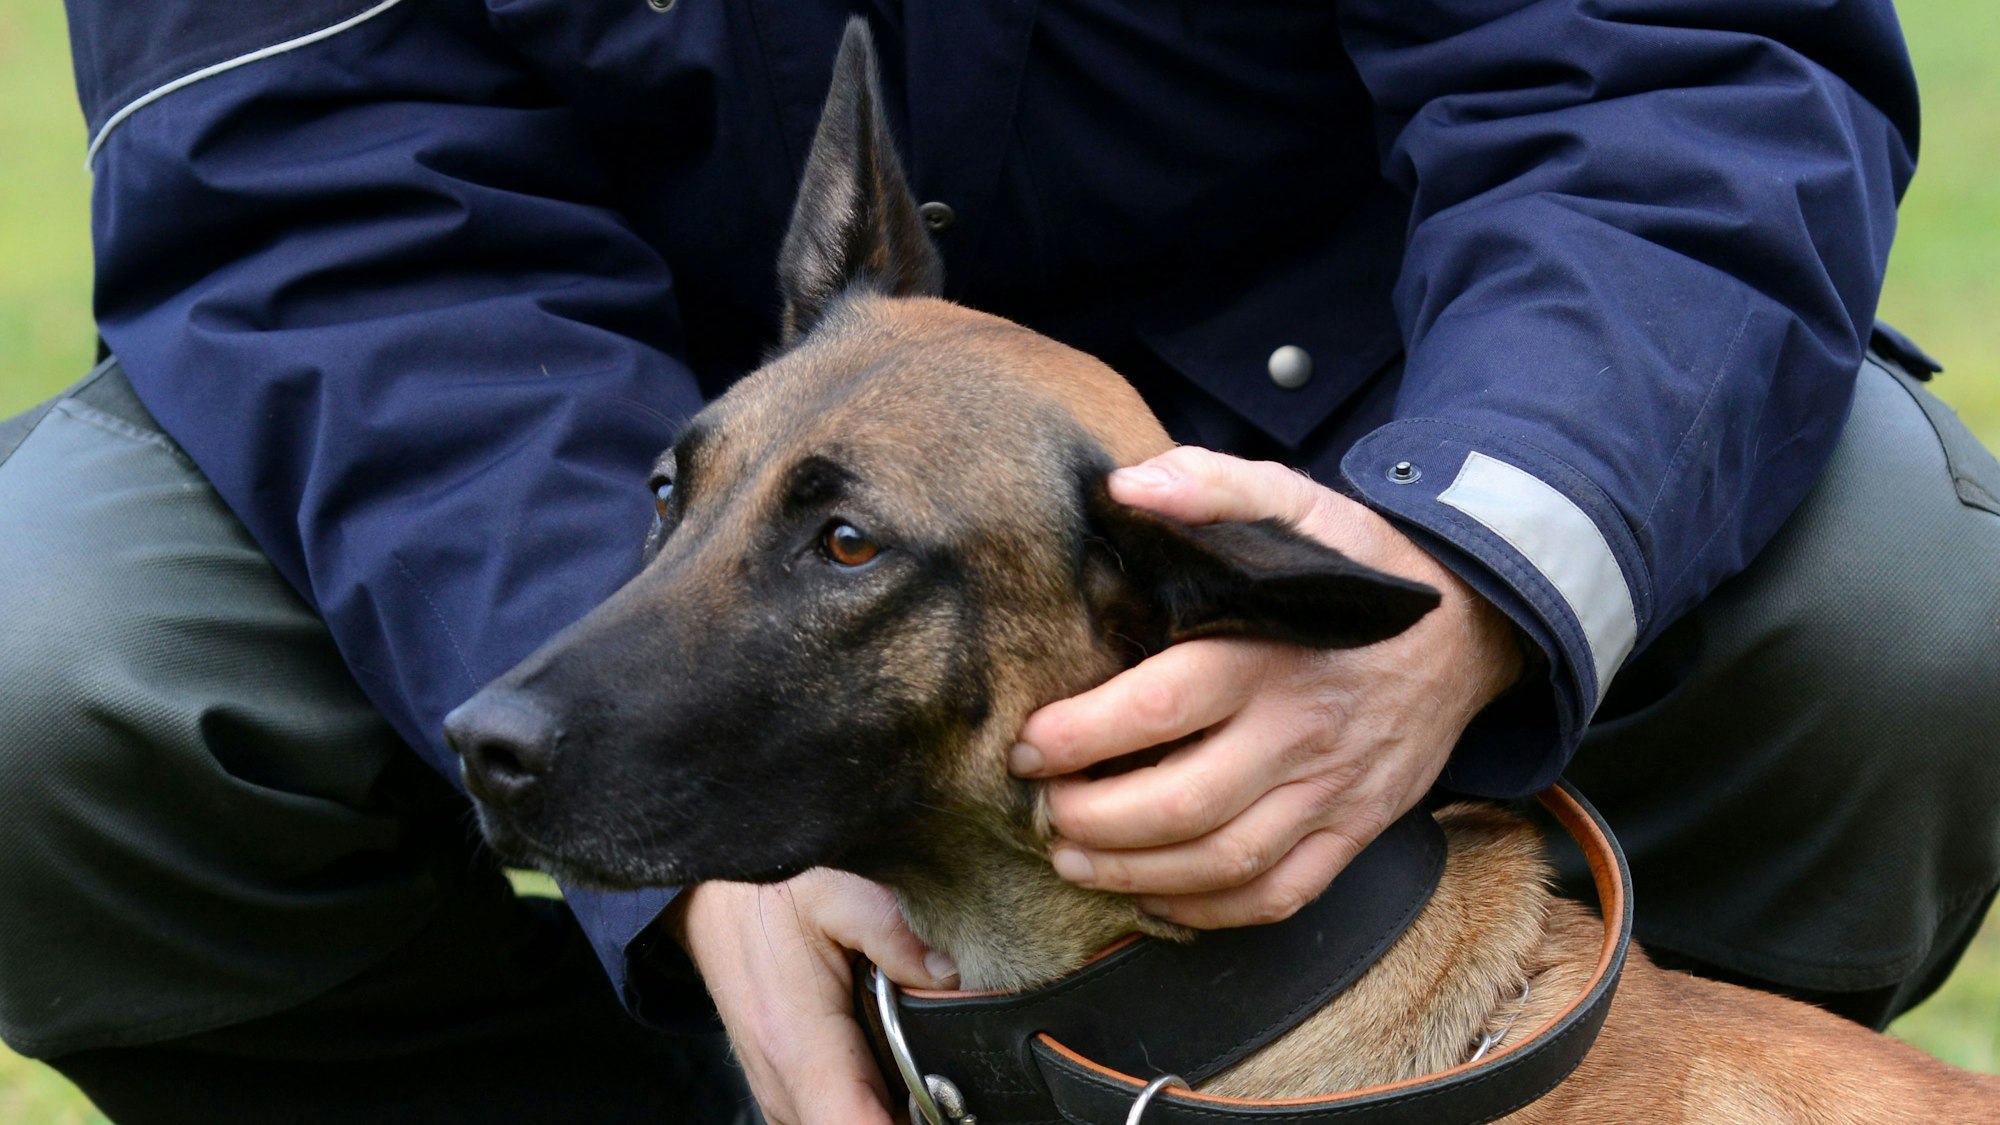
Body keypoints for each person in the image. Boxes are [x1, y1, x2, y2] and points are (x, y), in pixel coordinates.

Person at [4, 2, 1997, 1122]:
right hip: (601, 445)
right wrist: (679, 802)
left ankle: (1537, 1076)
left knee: (1902, 590)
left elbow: (1665, 64)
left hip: (1364, 412)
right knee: (43, 665)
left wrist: (1473, 562)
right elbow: (322, 222)